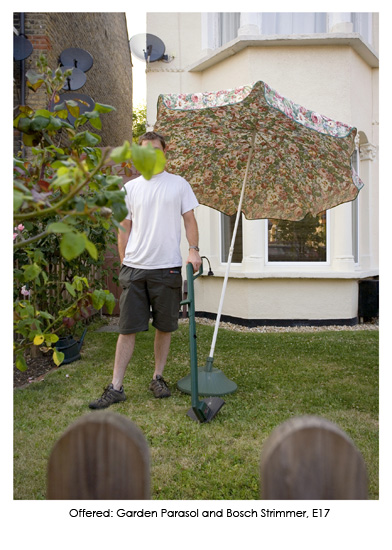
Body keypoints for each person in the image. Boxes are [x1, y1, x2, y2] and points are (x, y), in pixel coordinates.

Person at [89, 131, 201, 409]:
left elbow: (189, 220)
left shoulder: (179, 185)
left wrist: (193, 249)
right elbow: (123, 228)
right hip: (135, 270)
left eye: (155, 148)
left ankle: (158, 377)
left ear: (165, 151)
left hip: (168, 269)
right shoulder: (130, 188)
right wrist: (125, 258)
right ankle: (116, 387)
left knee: (165, 327)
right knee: (127, 329)